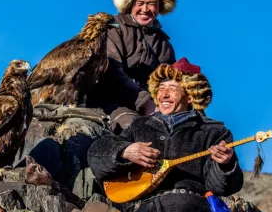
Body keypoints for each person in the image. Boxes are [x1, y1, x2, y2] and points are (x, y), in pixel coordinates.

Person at [87, 58, 244, 211]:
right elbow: (96, 155)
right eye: (161, 88)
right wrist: (124, 151)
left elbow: (223, 187)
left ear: (190, 96)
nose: (164, 95)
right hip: (141, 208)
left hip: (188, 206)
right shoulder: (140, 126)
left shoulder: (213, 132)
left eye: (172, 89)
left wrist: (225, 165)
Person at [87, 0, 177, 134]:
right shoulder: (114, 29)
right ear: (129, 3)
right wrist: (145, 101)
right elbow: (111, 72)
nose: (145, 9)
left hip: (154, 107)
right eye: (140, 3)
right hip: (110, 102)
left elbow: (171, 83)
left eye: (151, 3)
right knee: (136, 130)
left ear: (160, 5)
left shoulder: (164, 45)